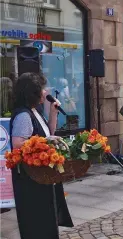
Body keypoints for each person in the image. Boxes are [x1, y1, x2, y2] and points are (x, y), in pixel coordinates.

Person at [9, 72, 73, 239]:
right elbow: (18, 144)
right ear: (33, 92)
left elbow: (48, 133)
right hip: (31, 178)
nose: (46, 91)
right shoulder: (24, 115)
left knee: (46, 218)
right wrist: (46, 140)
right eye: (42, 88)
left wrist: (53, 113)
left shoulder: (34, 111)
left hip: (40, 175)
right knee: (37, 221)